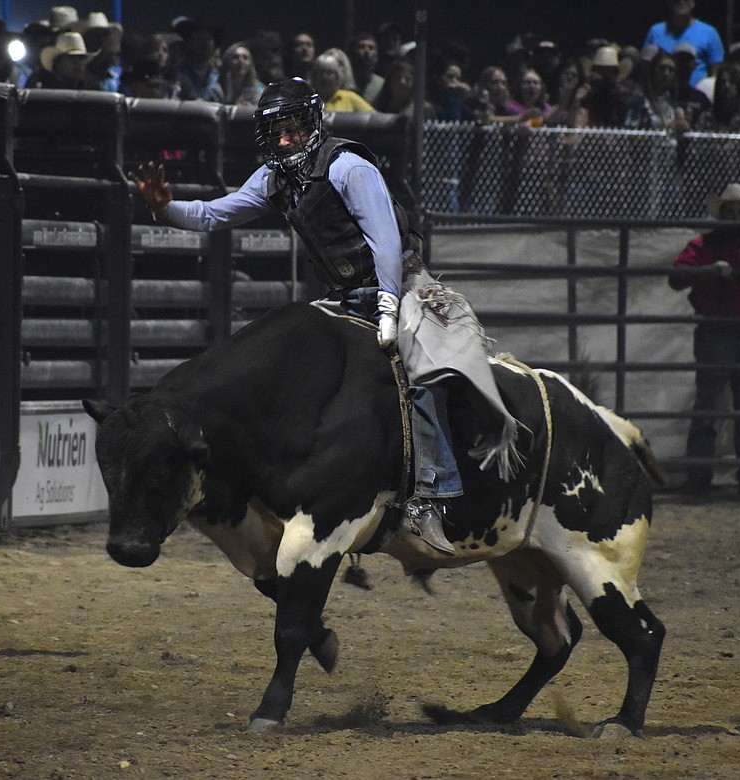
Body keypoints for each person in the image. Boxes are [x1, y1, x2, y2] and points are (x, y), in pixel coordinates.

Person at [129, 78, 519, 553]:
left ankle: (432, 497)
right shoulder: (273, 179)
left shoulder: (348, 167)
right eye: (277, 133)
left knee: (421, 375)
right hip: (344, 295)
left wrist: (390, 304)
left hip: (404, 285)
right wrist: (166, 208)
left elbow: (385, 241)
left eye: (293, 129)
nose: (286, 140)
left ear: (311, 125)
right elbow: (215, 213)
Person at [668, 183, 740, 495]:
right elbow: (677, 277)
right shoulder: (708, 245)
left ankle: (734, 476)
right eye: (730, 212)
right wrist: (709, 270)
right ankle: (714, 476)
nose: (735, 216)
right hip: (720, 330)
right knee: (716, 406)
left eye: (739, 211)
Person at [643, 0, 724, 88]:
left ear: (693, 3)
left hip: (697, 96)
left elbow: (716, 73)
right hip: (661, 96)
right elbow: (645, 68)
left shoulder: (709, 33)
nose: (681, 1)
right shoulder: (655, 32)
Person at [26, 31, 99, 90]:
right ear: (58, 63)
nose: (77, 63)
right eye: (71, 58)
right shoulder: (41, 84)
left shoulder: (92, 86)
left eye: (81, 58)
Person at [219, 42, 264, 106]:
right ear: (228, 61)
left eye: (245, 57)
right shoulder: (217, 86)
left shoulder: (259, 88)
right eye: (236, 57)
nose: (241, 61)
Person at [348, 32, 384, 104]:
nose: (367, 51)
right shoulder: (344, 81)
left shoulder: (382, 85)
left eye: (371, 48)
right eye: (361, 47)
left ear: (376, 56)